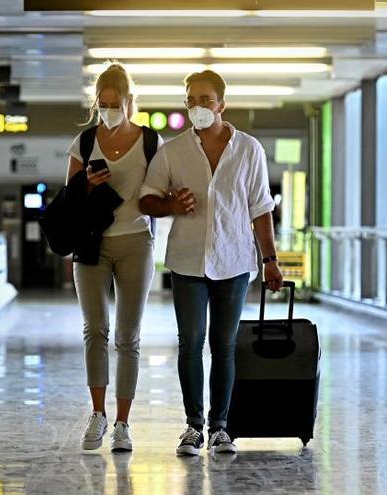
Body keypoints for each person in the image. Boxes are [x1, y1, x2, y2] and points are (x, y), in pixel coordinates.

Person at [139, 70, 284, 456]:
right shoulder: (172, 151)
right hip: (187, 261)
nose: (198, 107)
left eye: (205, 99)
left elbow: (261, 208)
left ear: (222, 104)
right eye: (191, 100)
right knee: (190, 344)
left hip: (234, 260)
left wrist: (269, 259)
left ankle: (221, 428)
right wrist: (170, 205)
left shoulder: (249, 149)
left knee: (224, 344)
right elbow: (146, 199)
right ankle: (192, 426)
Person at [69, 63, 163, 453]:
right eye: (102, 104)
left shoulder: (150, 141)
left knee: (128, 335)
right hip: (92, 243)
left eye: (115, 104)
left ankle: (124, 422)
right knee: (95, 329)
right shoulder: (85, 142)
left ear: (129, 102)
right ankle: (98, 414)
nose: (108, 110)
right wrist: (87, 186)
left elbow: (158, 193)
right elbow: (69, 200)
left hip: (135, 242)